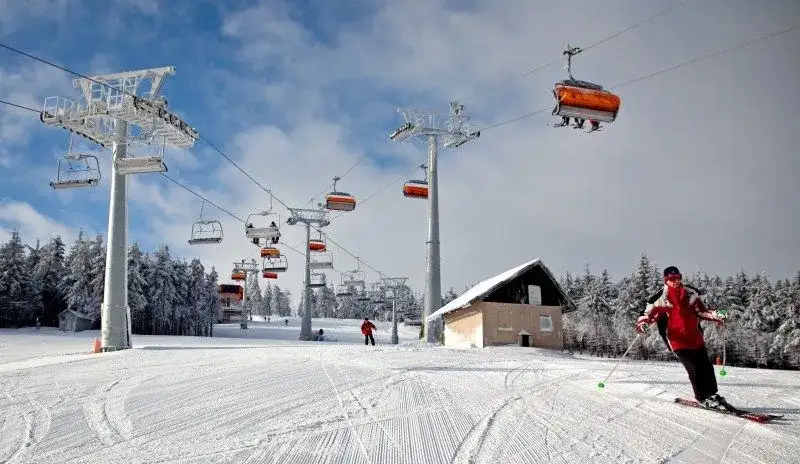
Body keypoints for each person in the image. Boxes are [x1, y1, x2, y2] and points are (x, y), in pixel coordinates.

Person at [636, 266, 728, 410]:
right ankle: (703, 398)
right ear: (666, 280)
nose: (676, 281)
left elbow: (702, 312)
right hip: (677, 340)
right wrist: (642, 324)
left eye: (678, 277)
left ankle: (712, 395)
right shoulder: (660, 298)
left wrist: (717, 315)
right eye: (672, 279)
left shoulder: (691, 294)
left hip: (695, 338)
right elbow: (647, 315)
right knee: (694, 368)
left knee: (706, 367)